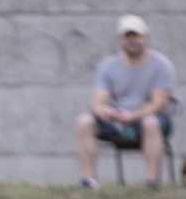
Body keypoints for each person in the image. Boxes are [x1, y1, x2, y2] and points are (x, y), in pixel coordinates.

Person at [75, 15, 177, 189]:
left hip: (149, 119)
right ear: (120, 40)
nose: (132, 41)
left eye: (136, 36)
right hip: (117, 120)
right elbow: (98, 102)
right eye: (127, 36)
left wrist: (134, 115)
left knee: (151, 123)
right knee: (84, 121)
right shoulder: (107, 66)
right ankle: (88, 180)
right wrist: (106, 112)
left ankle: (151, 182)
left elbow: (159, 103)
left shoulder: (161, 65)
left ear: (145, 37)